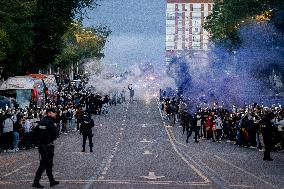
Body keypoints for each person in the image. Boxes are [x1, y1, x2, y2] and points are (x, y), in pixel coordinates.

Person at [32, 108, 59, 188]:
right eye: (54, 112)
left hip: (42, 145)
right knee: (44, 164)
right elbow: (56, 132)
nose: (55, 114)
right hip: (47, 146)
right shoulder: (50, 122)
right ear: (49, 113)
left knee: (49, 164)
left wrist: (38, 141)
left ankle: (51, 181)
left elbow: (35, 131)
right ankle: (36, 182)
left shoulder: (42, 121)